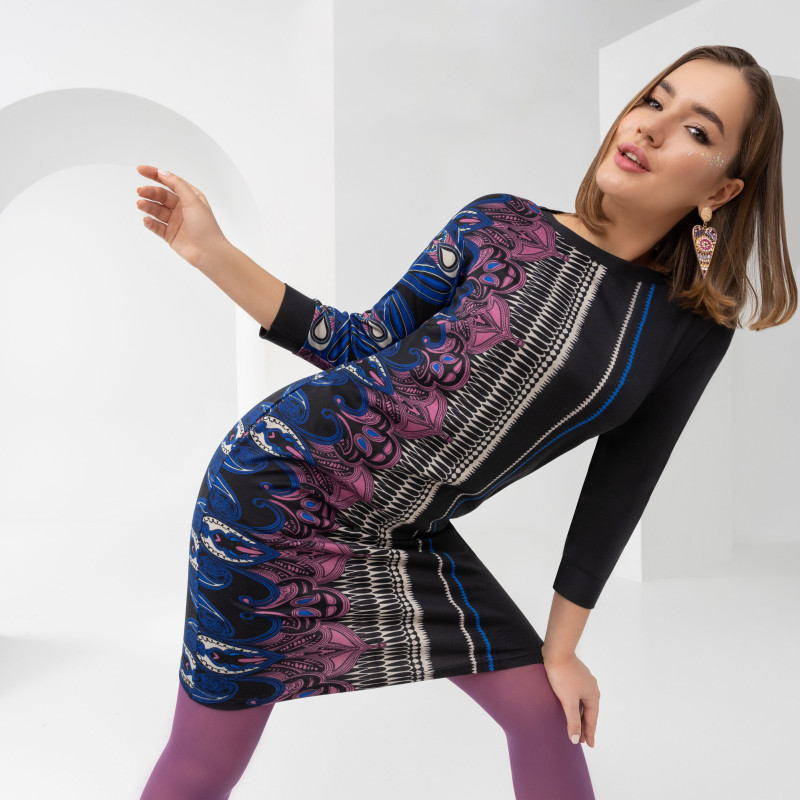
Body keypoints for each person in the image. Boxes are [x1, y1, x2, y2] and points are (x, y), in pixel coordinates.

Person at [135, 45, 795, 800]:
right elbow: (358, 342)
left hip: (405, 527)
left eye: (697, 130)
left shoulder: (689, 327)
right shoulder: (503, 224)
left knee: (544, 716)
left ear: (723, 189)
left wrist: (562, 649)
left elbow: (623, 485)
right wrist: (210, 251)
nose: (651, 126)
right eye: (654, 100)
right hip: (277, 488)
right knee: (204, 763)